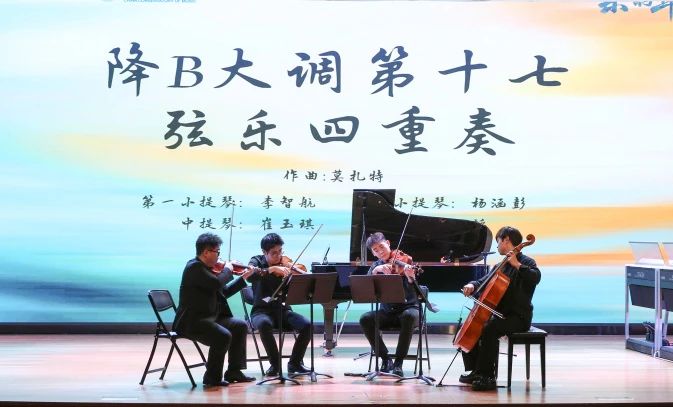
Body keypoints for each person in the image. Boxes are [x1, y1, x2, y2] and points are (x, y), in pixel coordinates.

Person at [459, 226, 541, 391]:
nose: (497, 246)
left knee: (490, 329)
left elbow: (535, 278)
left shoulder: (527, 262)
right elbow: (483, 281)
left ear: (506, 240)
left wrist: (517, 265)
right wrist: (472, 285)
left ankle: (487, 376)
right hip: (501, 315)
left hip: (518, 317)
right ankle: (476, 370)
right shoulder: (500, 265)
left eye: (498, 242)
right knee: (474, 326)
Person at [173, 232, 256, 387]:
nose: (219, 256)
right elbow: (217, 283)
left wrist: (243, 278)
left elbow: (223, 291)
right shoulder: (194, 267)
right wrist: (228, 269)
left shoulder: (208, 269)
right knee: (222, 336)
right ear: (206, 252)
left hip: (210, 317)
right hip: (192, 322)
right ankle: (212, 378)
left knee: (240, 326)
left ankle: (234, 371)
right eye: (217, 252)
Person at [247, 233, 311, 376]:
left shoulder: (285, 265)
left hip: (282, 310)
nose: (279, 256)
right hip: (261, 311)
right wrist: (271, 269)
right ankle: (275, 365)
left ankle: (295, 363)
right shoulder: (256, 261)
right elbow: (250, 276)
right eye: (274, 253)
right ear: (264, 252)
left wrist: (293, 278)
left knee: (307, 325)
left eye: (280, 251)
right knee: (264, 324)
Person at [358, 232, 420, 377]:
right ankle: (385, 359)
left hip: (409, 309)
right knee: (365, 319)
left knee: (408, 316)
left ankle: (398, 362)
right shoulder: (376, 265)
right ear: (373, 253)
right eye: (375, 250)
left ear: (388, 243)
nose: (380, 251)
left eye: (381, 247)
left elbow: (414, 287)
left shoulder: (404, 260)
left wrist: (410, 277)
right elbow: (366, 287)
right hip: (387, 312)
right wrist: (375, 271)